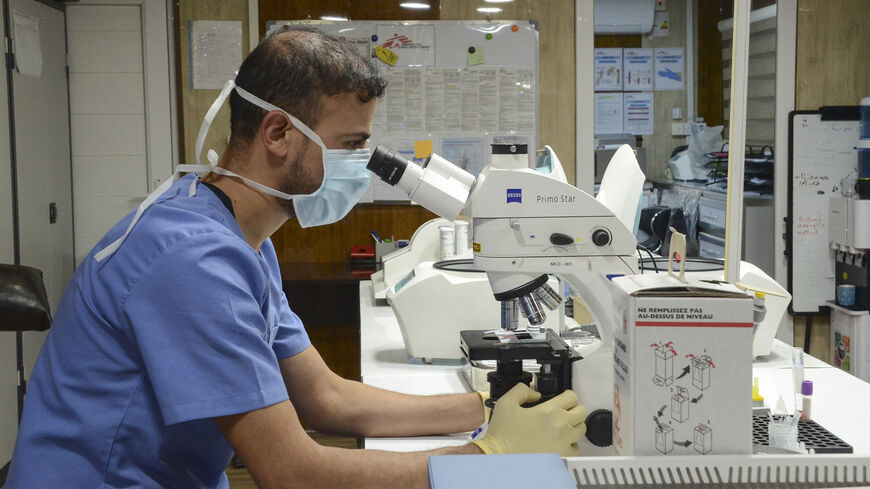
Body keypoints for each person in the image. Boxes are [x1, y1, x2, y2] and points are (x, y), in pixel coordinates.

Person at [7, 27, 586, 489]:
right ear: (278, 133)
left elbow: (324, 397)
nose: (362, 164)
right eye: (352, 144)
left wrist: (484, 403)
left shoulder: (237, 240)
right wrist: (490, 454)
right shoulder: (191, 259)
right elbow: (293, 473)